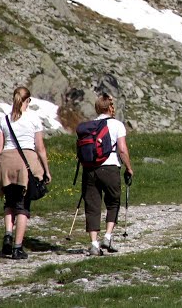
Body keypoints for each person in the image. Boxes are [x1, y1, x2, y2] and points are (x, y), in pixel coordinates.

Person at [0, 86, 51, 260]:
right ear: (27, 100)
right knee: (23, 206)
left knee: (9, 202)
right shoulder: (34, 119)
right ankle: (17, 247)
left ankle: (8, 234)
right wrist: (46, 170)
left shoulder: (4, 119)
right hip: (25, 162)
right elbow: (40, 148)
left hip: (5, 163)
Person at [82, 93, 134, 256]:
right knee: (113, 202)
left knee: (92, 206)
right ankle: (108, 236)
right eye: (112, 106)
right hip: (110, 167)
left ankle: (94, 244)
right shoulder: (117, 125)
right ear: (110, 108)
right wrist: (129, 168)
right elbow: (122, 149)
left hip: (90, 169)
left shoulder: (90, 125)